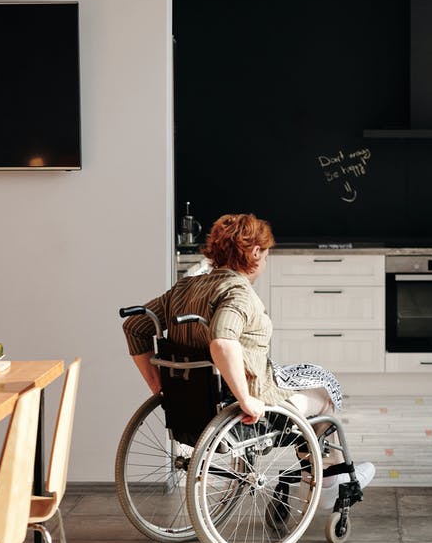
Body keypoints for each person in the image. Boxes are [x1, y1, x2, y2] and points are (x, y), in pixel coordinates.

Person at [122, 212, 374, 508]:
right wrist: (246, 400)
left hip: (195, 401)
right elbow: (222, 341)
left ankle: (317, 473)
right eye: (266, 254)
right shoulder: (238, 293)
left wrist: (160, 386)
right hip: (249, 401)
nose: (265, 261)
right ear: (255, 252)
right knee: (325, 392)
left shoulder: (184, 288)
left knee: (312, 373)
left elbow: (134, 326)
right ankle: (327, 480)